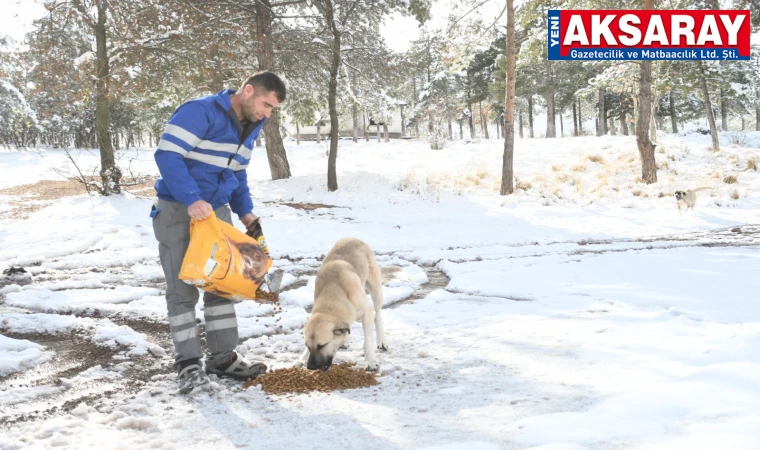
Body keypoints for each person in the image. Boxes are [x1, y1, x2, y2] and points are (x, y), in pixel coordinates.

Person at [150, 72, 286, 394]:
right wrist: (191, 198)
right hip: (178, 211)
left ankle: (222, 359)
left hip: (217, 214)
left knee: (222, 285)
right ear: (248, 90)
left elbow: (236, 173)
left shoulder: (251, 126)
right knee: (183, 290)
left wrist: (246, 212)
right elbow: (168, 155)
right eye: (266, 104)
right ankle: (188, 365)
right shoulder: (200, 112)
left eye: (272, 110)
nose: (267, 114)